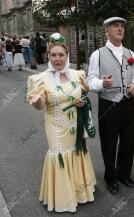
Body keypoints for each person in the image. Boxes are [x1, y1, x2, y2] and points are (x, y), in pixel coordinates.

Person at [26, 33, 96, 212]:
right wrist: (37, 101)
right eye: (53, 55)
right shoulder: (40, 79)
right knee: (59, 154)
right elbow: (40, 104)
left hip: (76, 126)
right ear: (48, 56)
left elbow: (83, 94)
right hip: (56, 128)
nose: (57, 59)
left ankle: (80, 192)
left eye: (61, 55)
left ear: (67, 56)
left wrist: (81, 102)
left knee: (77, 152)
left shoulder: (77, 74)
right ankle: (64, 199)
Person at [87, 17, 134, 194]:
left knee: (128, 141)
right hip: (108, 104)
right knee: (109, 142)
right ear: (107, 31)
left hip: (128, 103)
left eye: (122, 25)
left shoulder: (131, 54)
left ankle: (124, 174)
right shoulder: (98, 54)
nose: (120, 28)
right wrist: (101, 83)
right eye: (115, 26)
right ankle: (111, 177)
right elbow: (89, 81)